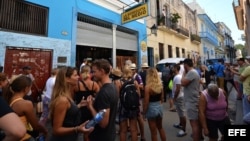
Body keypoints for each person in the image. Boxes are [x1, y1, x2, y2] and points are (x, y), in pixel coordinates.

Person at [49, 67, 94, 141]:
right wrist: (77, 129)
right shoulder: (62, 100)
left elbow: (67, 114)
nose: (78, 77)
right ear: (66, 79)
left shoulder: (67, 95)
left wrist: (78, 106)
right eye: (75, 75)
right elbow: (56, 130)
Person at [3, 75, 48, 140]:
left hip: (10, 134)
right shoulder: (26, 104)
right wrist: (45, 131)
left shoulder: (8, 98)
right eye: (30, 87)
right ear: (26, 89)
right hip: (22, 137)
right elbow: (35, 126)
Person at [86, 59, 118, 141]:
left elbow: (103, 123)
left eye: (94, 72)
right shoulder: (113, 87)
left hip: (101, 136)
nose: (92, 75)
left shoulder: (104, 92)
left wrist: (90, 107)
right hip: (109, 134)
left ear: (102, 71)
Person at [74, 65, 99, 141]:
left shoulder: (76, 84)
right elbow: (99, 97)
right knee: (88, 132)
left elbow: (72, 98)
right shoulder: (94, 84)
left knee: (78, 131)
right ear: (89, 73)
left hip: (79, 110)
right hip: (90, 110)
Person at [143, 67, 166, 141]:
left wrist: (144, 112)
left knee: (153, 132)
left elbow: (146, 102)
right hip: (159, 107)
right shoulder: (160, 85)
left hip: (151, 108)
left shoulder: (148, 87)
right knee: (160, 127)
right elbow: (162, 98)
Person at [181, 58, 201, 141]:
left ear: (185, 65)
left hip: (192, 101)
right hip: (192, 99)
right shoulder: (193, 72)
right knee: (196, 123)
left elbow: (182, 83)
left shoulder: (191, 73)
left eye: (183, 65)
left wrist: (183, 74)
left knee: (194, 124)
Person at [130, 63, 146, 141]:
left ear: (135, 70)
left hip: (137, 99)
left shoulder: (137, 76)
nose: (131, 70)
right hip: (132, 99)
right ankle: (137, 133)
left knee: (139, 118)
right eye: (131, 69)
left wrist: (134, 85)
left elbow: (141, 86)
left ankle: (142, 135)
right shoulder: (131, 77)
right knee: (134, 118)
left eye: (132, 69)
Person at [172, 64, 187, 137]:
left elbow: (178, 89)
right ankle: (181, 124)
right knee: (180, 112)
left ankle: (184, 129)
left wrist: (174, 98)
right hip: (179, 97)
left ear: (176, 68)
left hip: (179, 97)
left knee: (182, 113)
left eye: (173, 67)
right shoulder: (177, 76)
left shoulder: (178, 77)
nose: (172, 68)